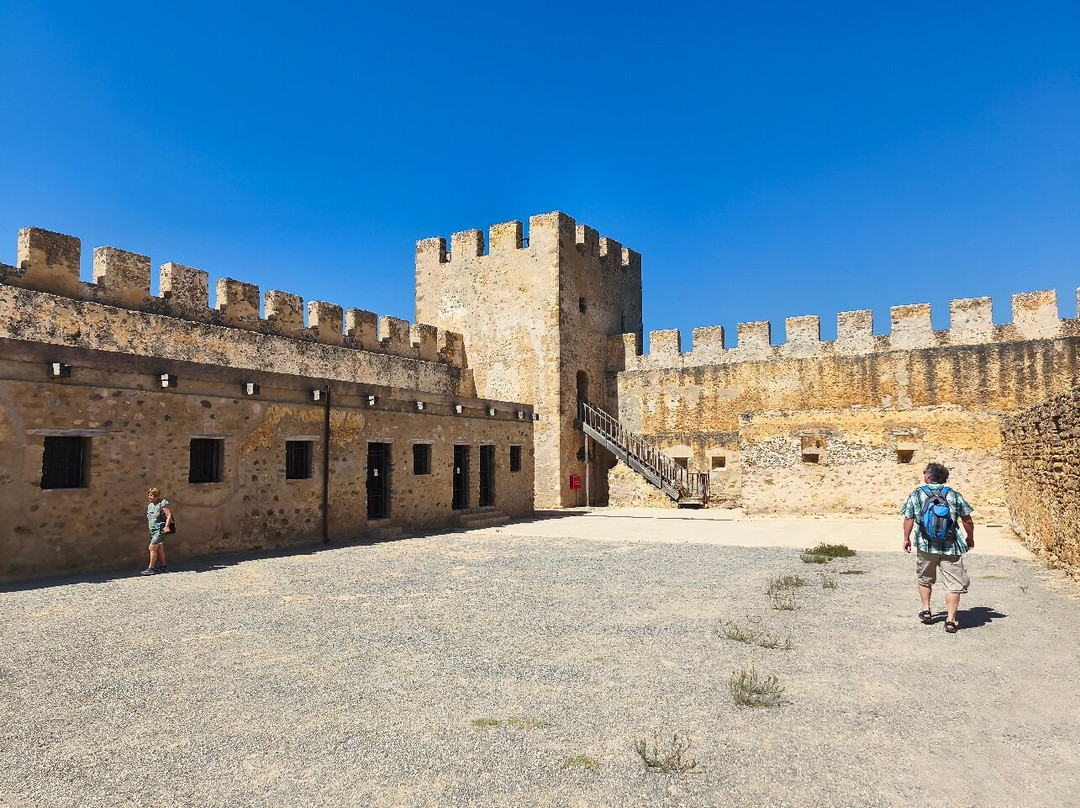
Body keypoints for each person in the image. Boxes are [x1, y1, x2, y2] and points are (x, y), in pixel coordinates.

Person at [901, 462, 974, 633]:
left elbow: (908, 519)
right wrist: (970, 538)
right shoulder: (954, 495)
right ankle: (950, 620)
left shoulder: (917, 494)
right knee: (953, 584)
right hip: (951, 546)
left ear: (928, 476)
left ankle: (926, 611)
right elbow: (967, 520)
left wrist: (906, 538)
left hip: (925, 545)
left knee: (925, 578)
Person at [143, 487, 174, 575]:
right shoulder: (150, 506)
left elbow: (168, 515)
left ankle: (151, 568)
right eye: (149, 495)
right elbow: (148, 518)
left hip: (159, 530)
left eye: (152, 496)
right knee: (159, 548)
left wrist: (167, 526)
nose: (149, 497)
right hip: (153, 531)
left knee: (152, 547)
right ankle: (163, 567)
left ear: (157, 496)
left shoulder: (162, 504)